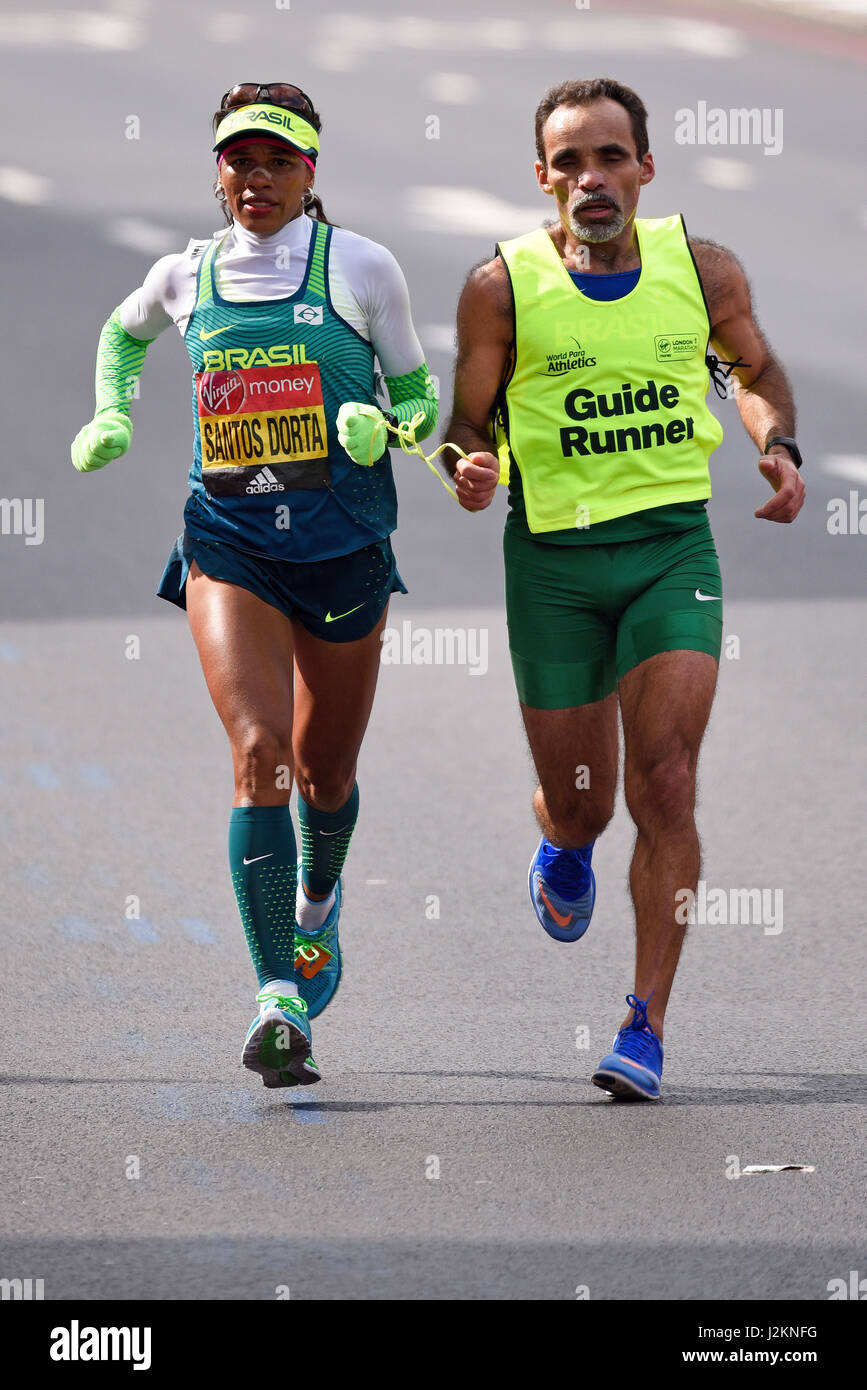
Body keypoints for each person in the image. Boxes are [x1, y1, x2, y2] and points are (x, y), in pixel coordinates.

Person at [443, 78, 804, 1100]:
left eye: (610, 157)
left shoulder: (702, 268)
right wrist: (466, 469)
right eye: (569, 162)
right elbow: (467, 428)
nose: (590, 179)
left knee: (668, 783)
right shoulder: (500, 285)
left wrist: (777, 446)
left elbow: (758, 371)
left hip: (668, 552)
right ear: (544, 180)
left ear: (646, 166)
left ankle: (644, 1022)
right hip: (553, 564)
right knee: (586, 803)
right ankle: (562, 840)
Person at [71, 82, 437, 1089]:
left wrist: (387, 428)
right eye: (239, 159)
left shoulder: (361, 267)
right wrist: (114, 414)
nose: (256, 177)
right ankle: (278, 991)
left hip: (346, 548)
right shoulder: (184, 274)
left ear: (309, 173)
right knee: (259, 750)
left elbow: (418, 394)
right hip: (229, 542)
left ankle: (320, 900)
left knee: (325, 775)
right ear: (218, 170)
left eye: (277, 161)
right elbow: (122, 333)